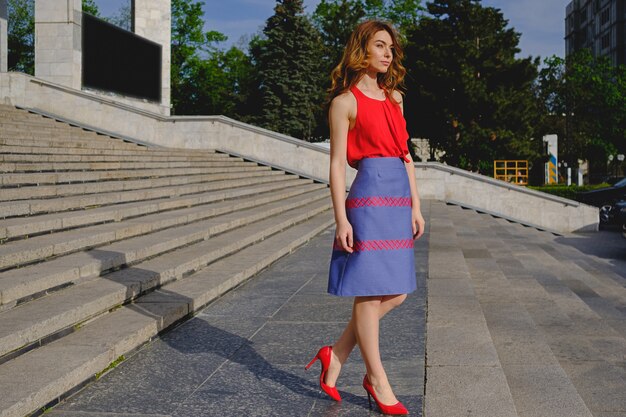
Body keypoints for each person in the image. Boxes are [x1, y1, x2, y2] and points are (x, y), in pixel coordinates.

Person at [305, 20, 425, 415]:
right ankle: (376, 379)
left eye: (391, 47)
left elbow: (406, 155)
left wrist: (416, 205)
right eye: (379, 45)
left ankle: (336, 354)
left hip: (397, 197)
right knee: (370, 292)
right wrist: (341, 219)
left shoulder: (396, 98)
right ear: (362, 50)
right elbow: (337, 165)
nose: (388, 53)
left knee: (397, 292)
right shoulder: (345, 102)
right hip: (369, 200)